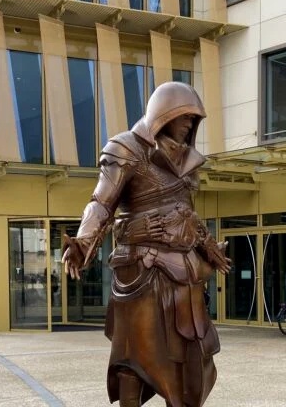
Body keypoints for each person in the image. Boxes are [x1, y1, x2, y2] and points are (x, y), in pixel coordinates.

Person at [62, 82, 231, 407]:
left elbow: (187, 213)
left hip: (185, 274)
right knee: (138, 354)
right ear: (164, 114)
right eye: (185, 116)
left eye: (194, 119)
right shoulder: (126, 148)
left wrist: (208, 246)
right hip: (144, 269)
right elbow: (101, 204)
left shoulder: (186, 161)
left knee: (191, 355)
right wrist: (83, 241)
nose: (189, 124)